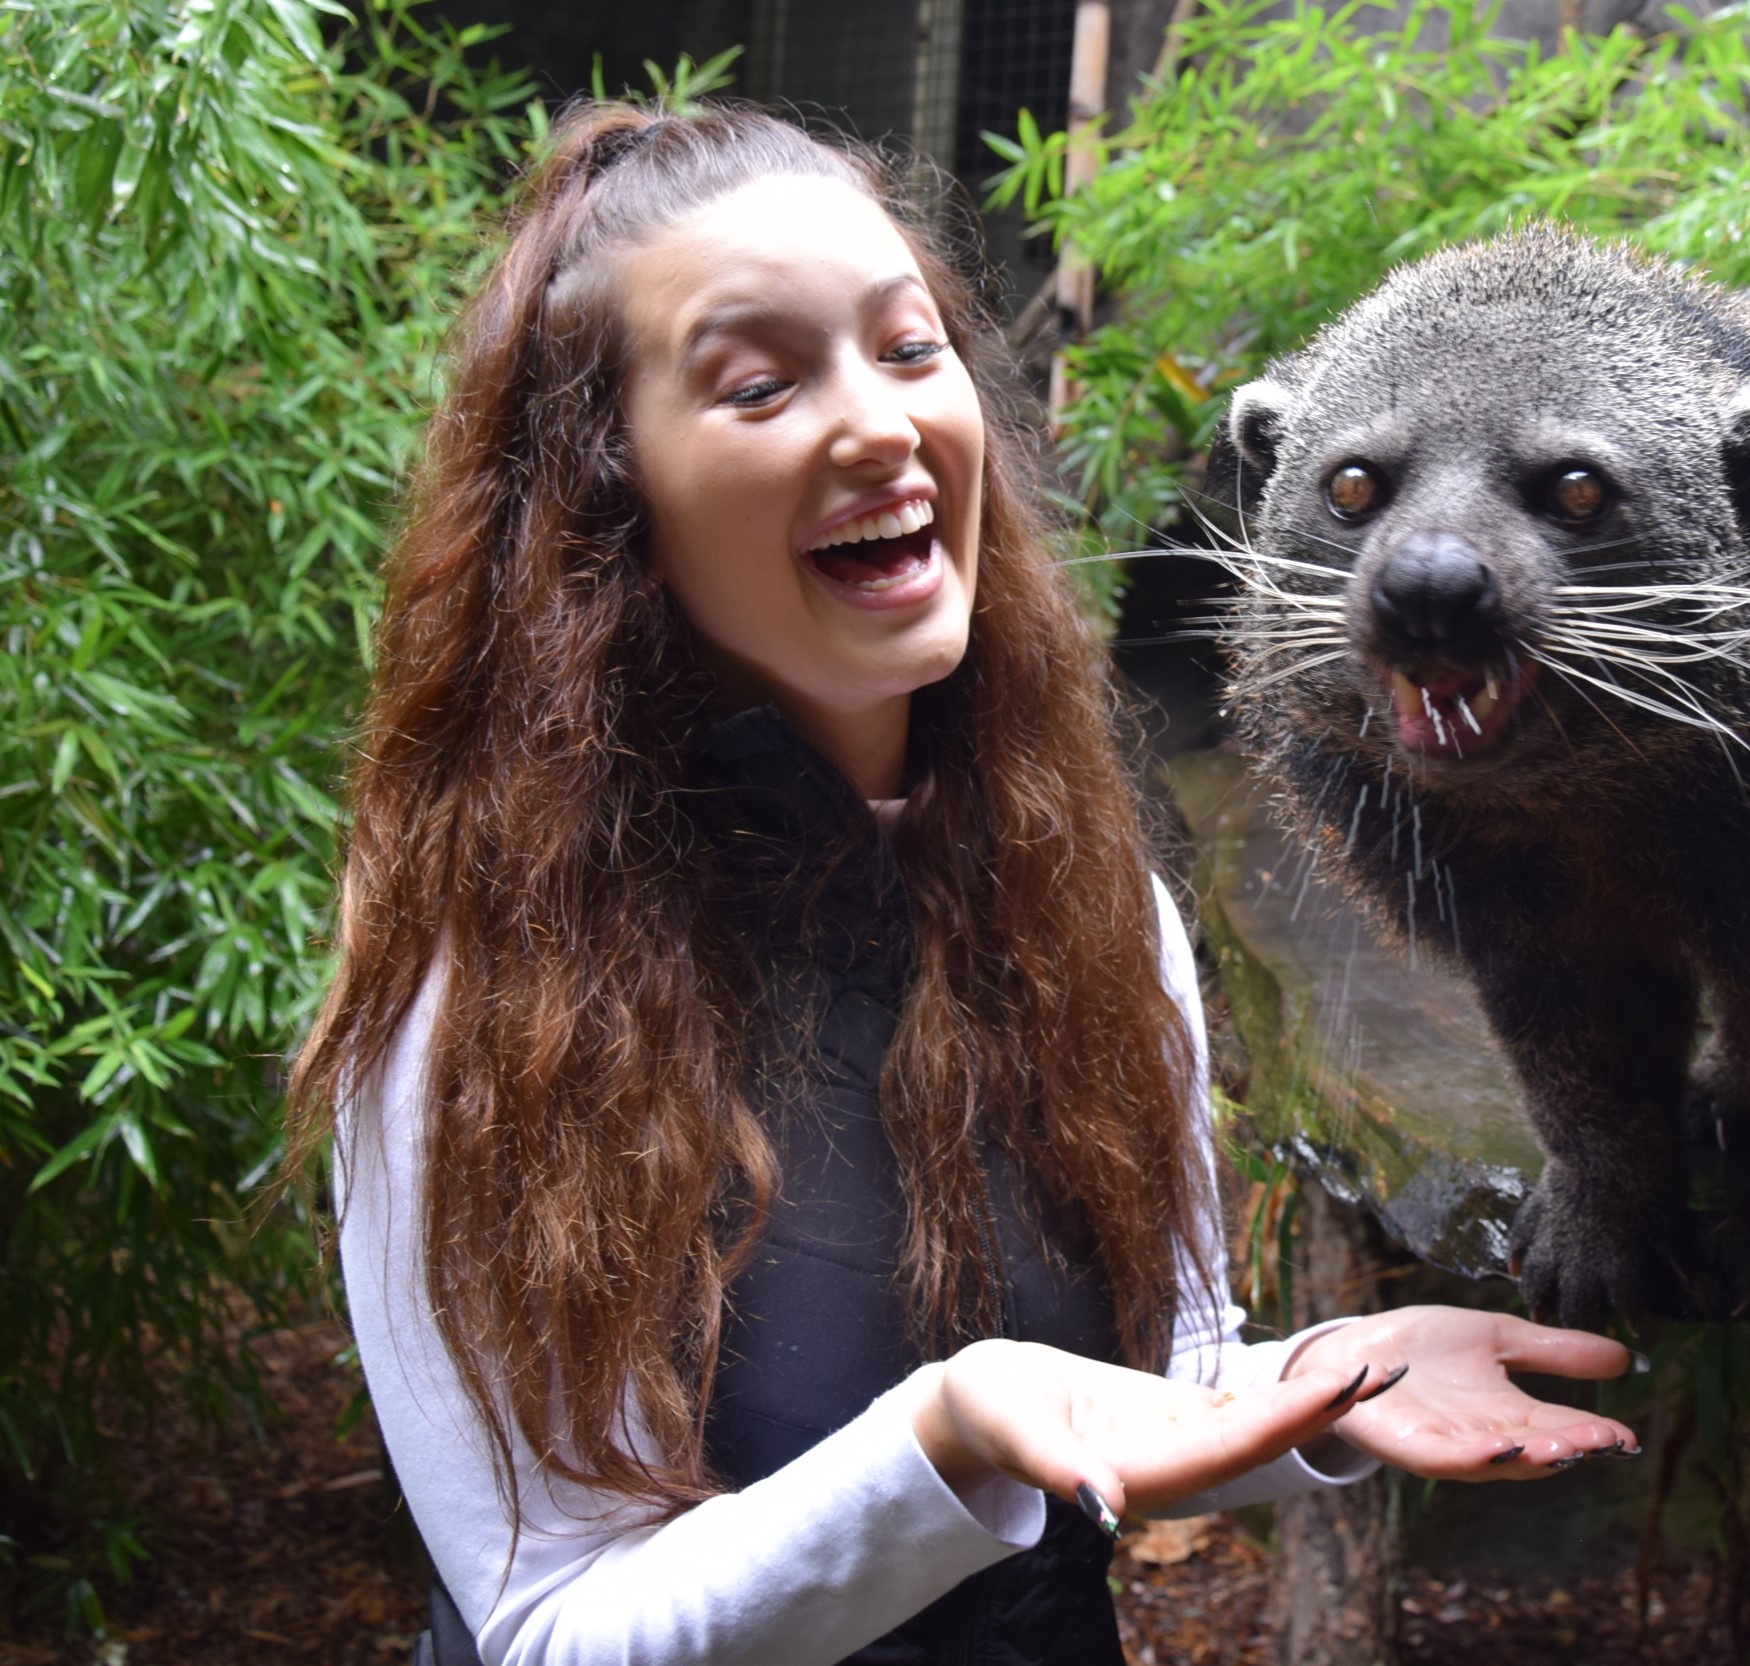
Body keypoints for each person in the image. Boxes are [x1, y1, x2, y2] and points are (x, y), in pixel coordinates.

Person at [288, 102, 1640, 1666]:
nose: (878, 421)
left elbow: (1158, 1384)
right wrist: (941, 1438)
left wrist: (1342, 1382)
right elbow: (547, 1621)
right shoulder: (485, 983)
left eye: (907, 348)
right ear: (612, 508)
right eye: (761, 382)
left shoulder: (1081, 889)